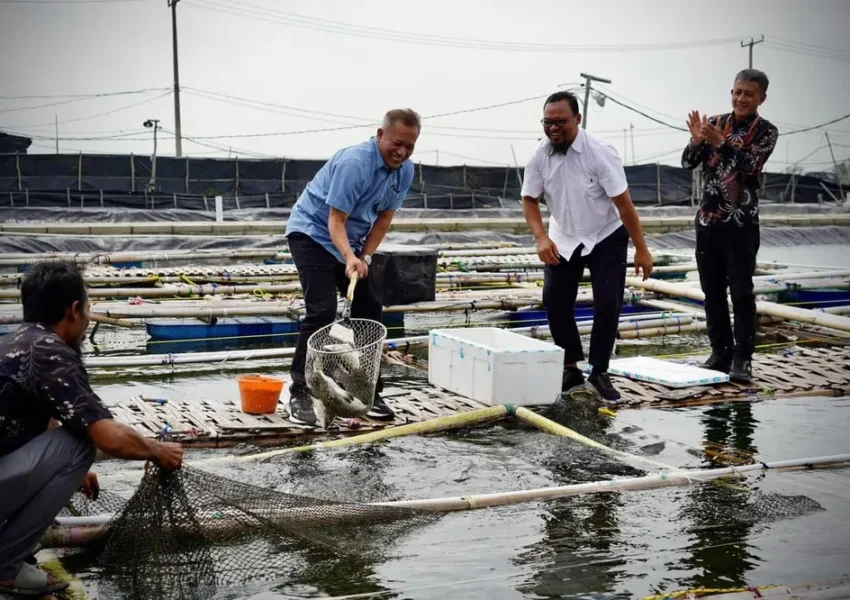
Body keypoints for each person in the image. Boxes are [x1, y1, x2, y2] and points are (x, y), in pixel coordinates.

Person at [0, 262, 184, 598]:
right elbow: (107, 436)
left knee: (74, 446)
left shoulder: (16, 341)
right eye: (87, 308)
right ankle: (6, 567)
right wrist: (157, 450)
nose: (87, 317)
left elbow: (45, 413)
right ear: (73, 311)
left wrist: (62, 470)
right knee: (81, 444)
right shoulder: (50, 351)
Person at [284, 109, 420, 426]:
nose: (401, 152)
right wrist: (349, 257)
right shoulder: (355, 164)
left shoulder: (405, 170)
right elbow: (335, 220)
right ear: (380, 134)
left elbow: (384, 219)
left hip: (352, 242)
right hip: (312, 234)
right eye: (397, 143)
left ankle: (367, 390)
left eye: (409, 147)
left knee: (370, 305)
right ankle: (300, 392)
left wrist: (365, 257)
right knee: (321, 310)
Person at [521, 91, 653, 402]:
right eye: (548, 122)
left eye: (561, 122)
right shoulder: (539, 156)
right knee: (554, 299)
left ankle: (599, 370)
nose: (553, 128)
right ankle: (570, 367)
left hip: (605, 233)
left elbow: (624, 205)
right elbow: (529, 200)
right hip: (564, 235)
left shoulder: (599, 153)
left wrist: (642, 249)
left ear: (577, 119)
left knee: (608, 301)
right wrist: (541, 237)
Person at [682, 69, 778, 383]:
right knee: (712, 292)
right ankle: (719, 352)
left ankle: (742, 358)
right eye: (737, 92)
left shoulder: (767, 131)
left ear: (761, 97)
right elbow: (687, 162)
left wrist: (721, 144)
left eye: (748, 94)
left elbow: (750, 167)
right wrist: (697, 142)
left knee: (741, 292)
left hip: (741, 224)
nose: (741, 98)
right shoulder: (715, 124)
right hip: (708, 221)